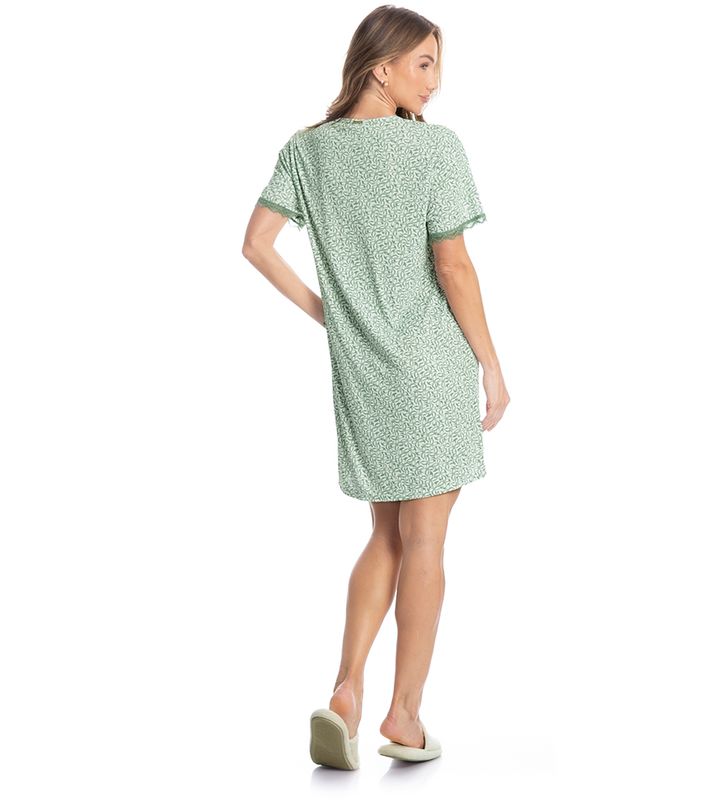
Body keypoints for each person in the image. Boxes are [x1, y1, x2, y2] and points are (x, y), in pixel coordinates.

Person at [241, 6, 510, 769]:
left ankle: (345, 691)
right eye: (424, 63)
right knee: (425, 541)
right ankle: (404, 714)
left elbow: (256, 244)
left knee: (385, 535)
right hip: (431, 367)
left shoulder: (306, 151)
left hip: (362, 372)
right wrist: (491, 363)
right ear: (380, 66)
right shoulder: (433, 150)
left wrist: (330, 313)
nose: (435, 81)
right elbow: (453, 266)